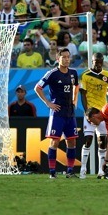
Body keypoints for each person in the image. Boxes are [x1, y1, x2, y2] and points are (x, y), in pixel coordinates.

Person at [34, 48, 80, 179]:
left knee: (71, 142)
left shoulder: (73, 73)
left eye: (68, 57)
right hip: (58, 113)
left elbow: (76, 86)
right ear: (57, 59)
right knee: (55, 142)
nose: (66, 59)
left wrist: (75, 100)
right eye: (64, 57)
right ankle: (52, 172)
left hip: (70, 113)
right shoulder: (52, 73)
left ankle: (70, 171)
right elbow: (37, 88)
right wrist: (48, 103)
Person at [79, 53, 108, 179]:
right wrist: (87, 112)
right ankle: (83, 170)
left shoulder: (107, 75)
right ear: (91, 61)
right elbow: (83, 94)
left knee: (102, 142)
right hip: (90, 113)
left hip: (103, 113)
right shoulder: (85, 75)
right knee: (88, 141)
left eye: (100, 61)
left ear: (102, 61)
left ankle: (101, 171)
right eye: (95, 61)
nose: (98, 64)